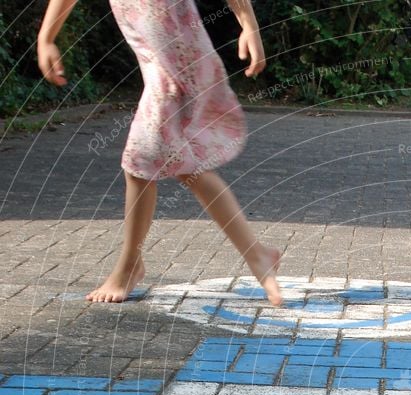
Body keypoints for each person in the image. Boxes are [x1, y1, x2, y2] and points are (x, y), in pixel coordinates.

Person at [37, 0, 283, 306]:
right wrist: (46, 37)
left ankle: (130, 267)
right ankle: (257, 253)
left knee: (143, 158)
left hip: (179, 69)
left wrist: (249, 25)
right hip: (159, 66)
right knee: (183, 169)